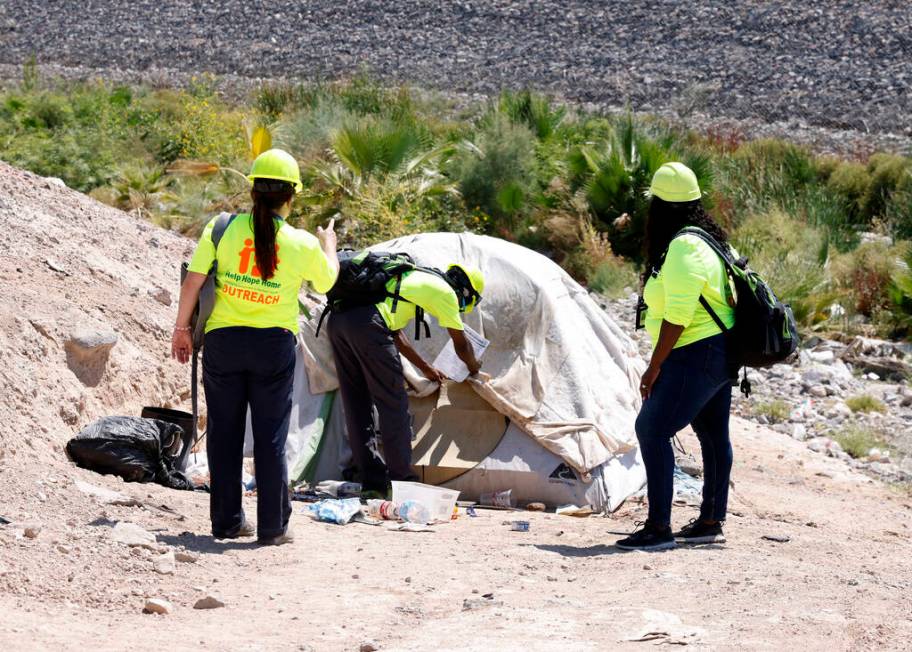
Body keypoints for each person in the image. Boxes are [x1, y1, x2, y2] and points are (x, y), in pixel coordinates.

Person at [171, 148, 339, 545]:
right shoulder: (300, 243)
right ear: (291, 196)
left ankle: (228, 522)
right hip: (273, 347)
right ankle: (272, 526)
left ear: (253, 191)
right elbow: (328, 282)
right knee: (270, 435)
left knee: (224, 434)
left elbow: (193, 281)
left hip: (224, 343)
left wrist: (180, 329)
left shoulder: (222, 227)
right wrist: (328, 243)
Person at [616, 162, 736, 551]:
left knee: (651, 429)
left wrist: (655, 366)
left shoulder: (684, 246)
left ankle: (658, 528)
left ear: (661, 206)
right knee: (713, 435)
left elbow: (678, 317)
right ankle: (710, 521)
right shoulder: (711, 241)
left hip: (693, 353)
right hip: (719, 353)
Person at [328, 262, 485, 497]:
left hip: (339, 323)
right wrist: (474, 367)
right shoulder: (445, 293)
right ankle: (402, 480)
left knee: (356, 404)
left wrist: (425, 368)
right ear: (466, 292)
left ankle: (372, 482)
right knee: (393, 404)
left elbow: (397, 334)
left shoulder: (413, 275)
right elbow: (461, 344)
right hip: (368, 328)